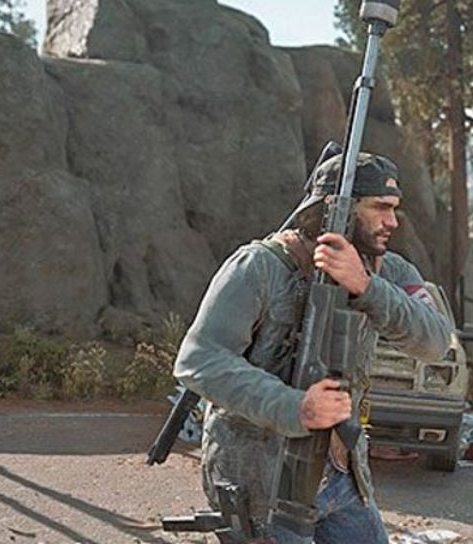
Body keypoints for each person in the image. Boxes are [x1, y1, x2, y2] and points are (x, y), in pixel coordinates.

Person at [173, 150, 451, 544]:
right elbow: (199, 360)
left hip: (342, 476)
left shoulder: (388, 270)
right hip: (261, 486)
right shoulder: (259, 266)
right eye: (380, 207)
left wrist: (366, 287)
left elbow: (436, 341)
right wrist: (296, 407)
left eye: (394, 208)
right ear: (338, 207)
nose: (392, 221)